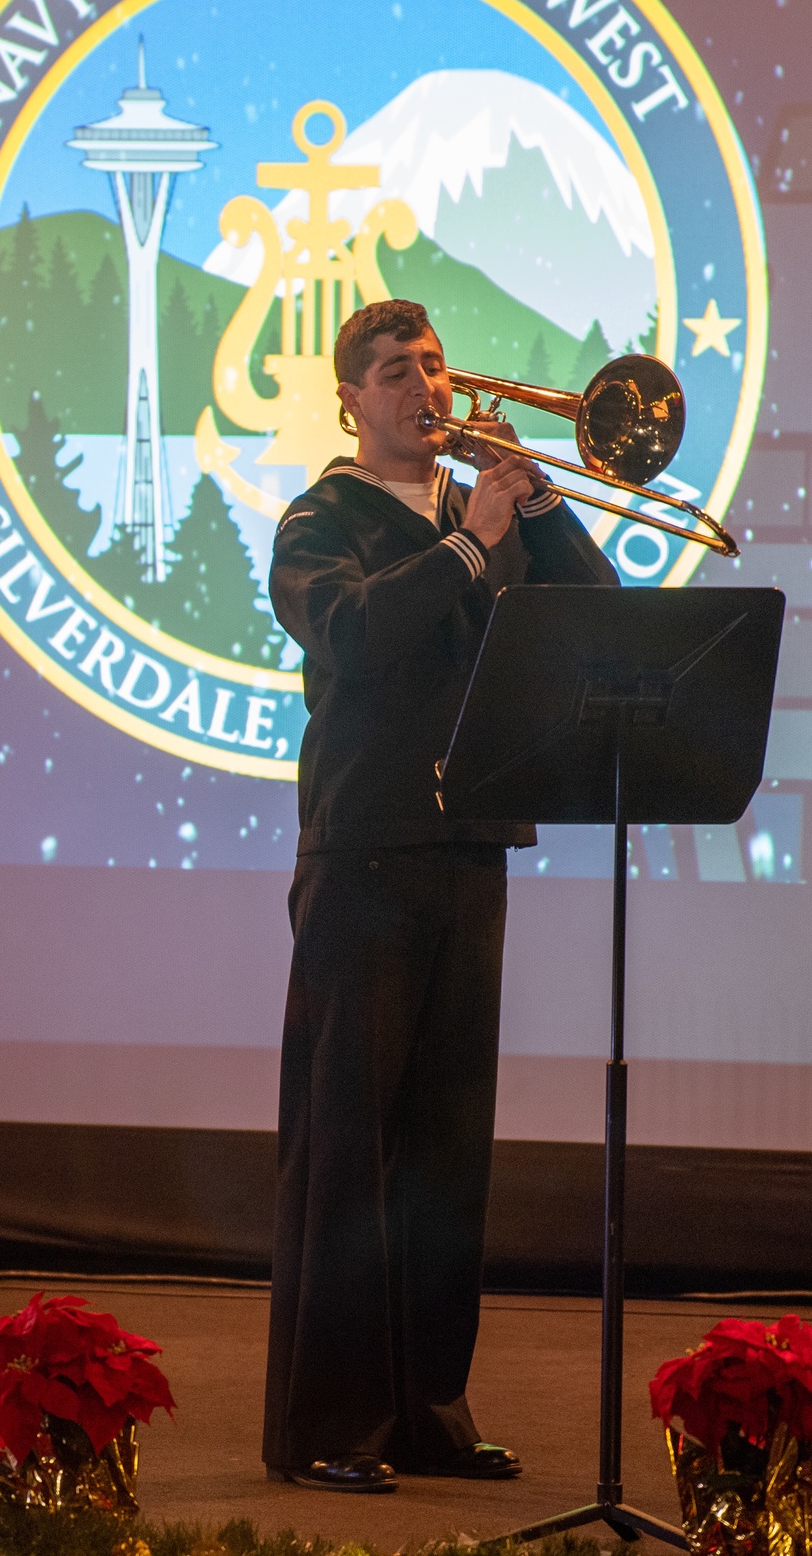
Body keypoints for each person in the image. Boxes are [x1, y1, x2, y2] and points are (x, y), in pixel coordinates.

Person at [263, 299, 618, 1493]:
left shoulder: (488, 513)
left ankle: (426, 1409)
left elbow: (600, 621)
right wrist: (468, 541)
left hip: (469, 843)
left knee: (445, 1152)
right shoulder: (325, 518)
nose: (425, 386)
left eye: (432, 366)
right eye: (393, 372)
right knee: (351, 1144)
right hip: (364, 850)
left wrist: (544, 505)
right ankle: (327, 1422)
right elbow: (356, 635)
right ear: (348, 400)